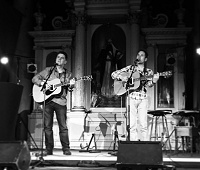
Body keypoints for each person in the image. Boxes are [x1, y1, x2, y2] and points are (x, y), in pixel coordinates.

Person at [32, 51, 75, 155]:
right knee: (47, 126)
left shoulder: (68, 74)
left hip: (61, 102)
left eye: (61, 58)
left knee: (63, 127)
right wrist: (42, 83)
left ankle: (66, 148)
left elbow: (69, 89)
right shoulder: (49, 70)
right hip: (48, 101)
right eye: (58, 57)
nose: (59, 59)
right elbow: (34, 78)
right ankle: (48, 149)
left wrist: (71, 85)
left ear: (65, 61)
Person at [111, 49, 159, 141]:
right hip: (131, 97)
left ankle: (145, 146)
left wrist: (153, 81)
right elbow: (113, 74)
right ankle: (133, 144)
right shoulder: (130, 69)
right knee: (132, 124)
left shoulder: (148, 72)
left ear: (145, 59)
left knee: (143, 124)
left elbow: (149, 85)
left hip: (143, 98)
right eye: (138, 55)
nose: (139, 57)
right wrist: (122, 77)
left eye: (142, 55)